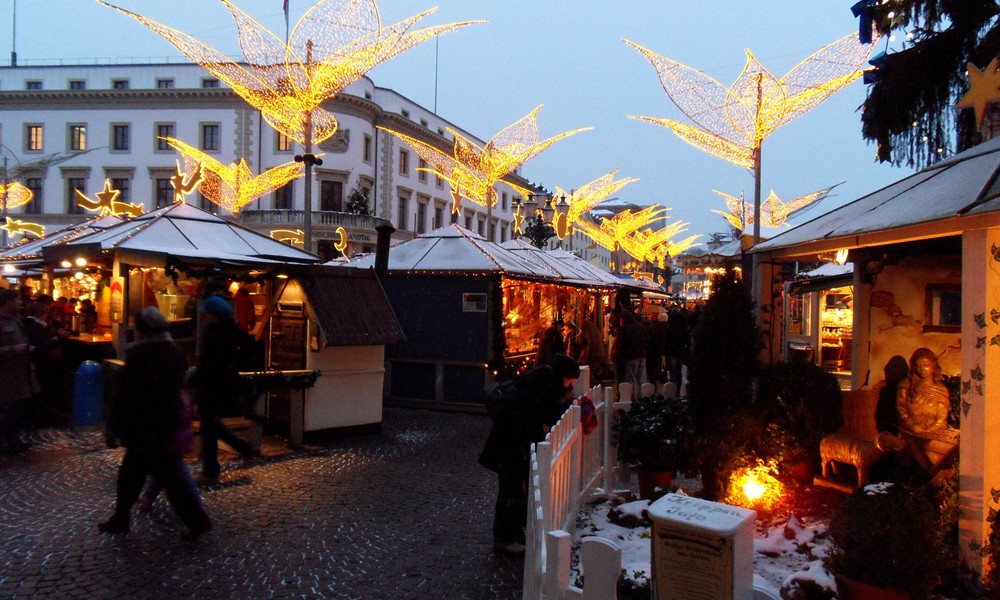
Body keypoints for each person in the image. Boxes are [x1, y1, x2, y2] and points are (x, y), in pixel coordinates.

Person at [98, 307, 212, 542]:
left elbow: (126, 394)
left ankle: (197, 522)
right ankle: (121, 518)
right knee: (138, 474)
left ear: (141, 330)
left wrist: (113, 426)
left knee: (157, 477)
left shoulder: (140, 355)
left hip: (144, 425)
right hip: (165, 423)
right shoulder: (174, 352)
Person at [479, 353, 580, 556]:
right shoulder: (541, 382)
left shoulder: (545, 381)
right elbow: (528, 412)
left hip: (518, 440)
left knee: (517, 487)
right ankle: (504, 537)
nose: (570, 384)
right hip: (512, 441)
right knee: (511, 488)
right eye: (570, 380)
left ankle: (514, 530)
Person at [191, 295, 258, 484]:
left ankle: (210, 471)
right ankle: (244, 448)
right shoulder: (232, 332)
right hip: (224, 386)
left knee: (209, 427)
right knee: (212, 424)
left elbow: (206, 363)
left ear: (213, 315)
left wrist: (194, 379)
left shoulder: (212, 334)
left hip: (211, 386)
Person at [0, 289, 36, 453]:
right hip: (5, 373)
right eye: (17, 300)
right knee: (6, 408)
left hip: (20, 372)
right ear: (8, 302)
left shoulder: (17, 319)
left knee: (17, 407)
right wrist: (12, 349)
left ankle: (12, 439)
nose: (21, 303)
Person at [23, 301, 66, 428]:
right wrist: (56, 338)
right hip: (41, 362)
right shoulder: (35, 326)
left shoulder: (28, 323)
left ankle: (41, 416)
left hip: (40, 361)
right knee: (42, 389)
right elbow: (41, 345)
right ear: (43, 314)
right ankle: (41, 418)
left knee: (41, 389)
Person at [896, 347, 951, 435]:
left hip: (934, 434)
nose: (922, 369)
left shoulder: (941, 390)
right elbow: (901, 410)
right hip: (910, 432)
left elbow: (942, 417)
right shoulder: (906, 386)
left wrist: (929, 430)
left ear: (933, 367)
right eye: (918, 366)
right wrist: (913, 425)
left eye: (926, 365)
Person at [614, 310, 649, 399]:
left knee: (631, 379)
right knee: (642, 379)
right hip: (642, 356)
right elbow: (647, 340)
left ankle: (632, 399)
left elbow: (620, 344)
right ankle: (643, 398)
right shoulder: (640, 326)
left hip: (630, 357)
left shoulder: (624, 329)